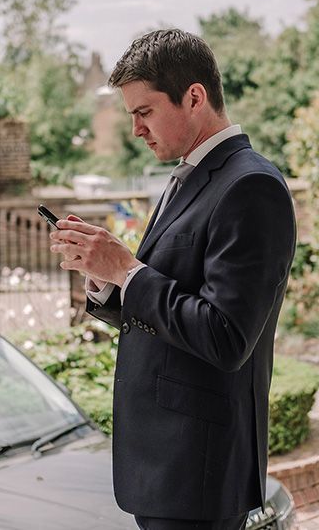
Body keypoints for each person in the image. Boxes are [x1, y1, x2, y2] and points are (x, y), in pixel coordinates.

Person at [49, 29, 297, 530]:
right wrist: (104, 278)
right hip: (165, 466)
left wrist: (125, 268)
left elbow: (226, 336)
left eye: (145, 112)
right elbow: (163, 305)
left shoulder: (251, 186)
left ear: (195, 97)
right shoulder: (186, 176)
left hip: (198, 470)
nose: (136, 129)